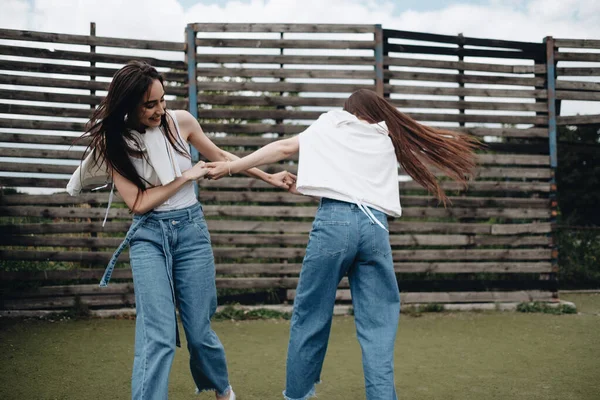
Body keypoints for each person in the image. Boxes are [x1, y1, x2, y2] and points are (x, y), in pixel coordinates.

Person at [205, 88, 479, 400]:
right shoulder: (388, 135)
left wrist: (230, 167)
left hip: (334, 223)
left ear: (351, 110)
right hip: (375, 227)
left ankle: (297, 395)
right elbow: (354, 181)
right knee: (379, 327)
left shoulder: (333, 121)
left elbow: (283, 148)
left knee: (311, 316)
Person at [66, 61, 294, 400]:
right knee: (157, 332)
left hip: (191, 232)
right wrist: (184, 178)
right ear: (129, 104)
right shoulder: (113, 144)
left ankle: (221, 388)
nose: (160, 110)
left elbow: (219, 155)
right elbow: (139, 203)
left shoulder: (182, 122)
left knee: (199, 330)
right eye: (150, 104)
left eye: (163, 100)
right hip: (148, 237)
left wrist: (269, 176)